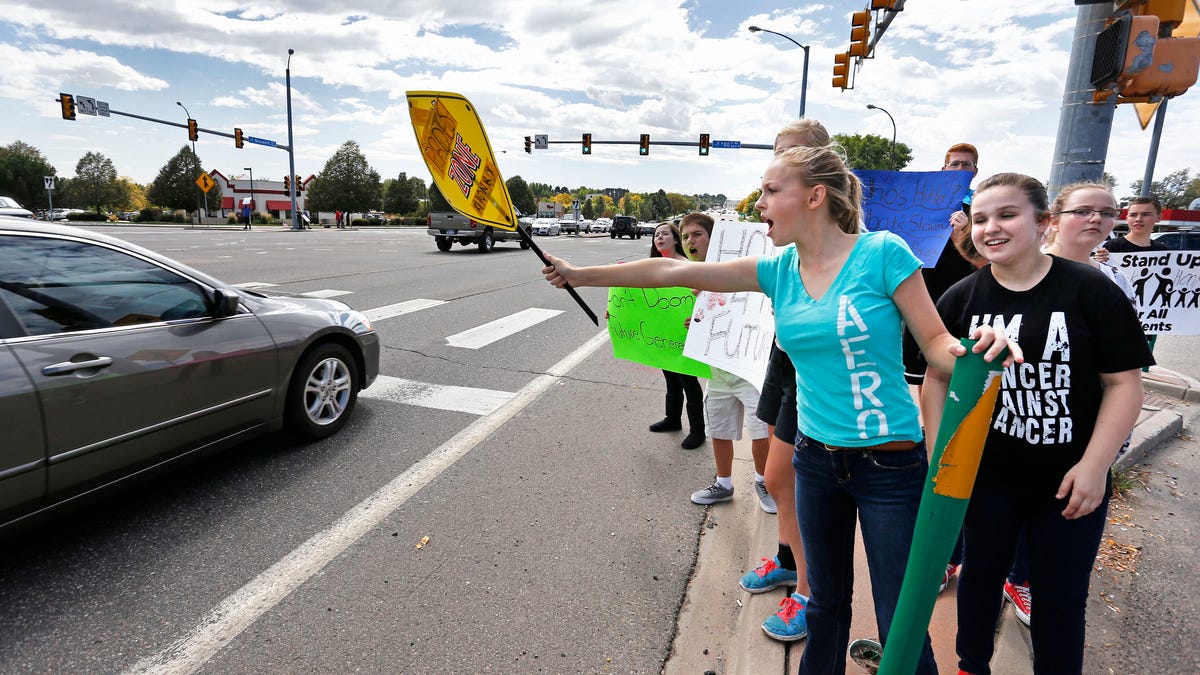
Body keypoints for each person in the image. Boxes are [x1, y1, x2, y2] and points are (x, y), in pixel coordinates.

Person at [544, 144, 1016, 675]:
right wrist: (579, 274)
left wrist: (975, 351)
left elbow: (934, 342)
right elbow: (670, 274)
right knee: (825, 604)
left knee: (898, 615)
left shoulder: (884, 253)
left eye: (771, 190)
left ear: (814, 196)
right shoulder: (778, 270)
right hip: (815, 460)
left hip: (888, 464)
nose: (759, 201)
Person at [924, 173, 1153, 675]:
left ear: (1043, 222)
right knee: (980, 581)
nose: (991, 228)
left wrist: (1095, 467)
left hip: (1070, 484)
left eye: (1007, 215)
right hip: (986, 480)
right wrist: (940, 451)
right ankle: (971, 666)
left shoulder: (1091, 291)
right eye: (981, 219)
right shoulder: (962, 298)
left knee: (1060, 596)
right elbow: (935, 381)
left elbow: (1124, 385)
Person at [740, 119, 829, 643]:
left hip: (820, 375)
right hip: (783, 359)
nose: (766, 190)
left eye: (788, 159)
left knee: (806, 484)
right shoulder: (779, 245)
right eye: (774, 156)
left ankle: (812, 593)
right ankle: (789, 560)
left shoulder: (861, 248)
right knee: (776, 479)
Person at [900, 141, 981, 593]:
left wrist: (965, 232)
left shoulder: (977, 212)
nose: (960, 170)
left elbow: (991, 263)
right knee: (921, 402)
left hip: (964, 321)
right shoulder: (922, 204)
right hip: (918, 316)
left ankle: (953, 550)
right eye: (953, 164)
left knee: (956, 425)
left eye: (967, 166)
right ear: (942, 168)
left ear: (975, 172)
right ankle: (924, 466)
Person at [676, 212, 772, 509]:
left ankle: (763, 482)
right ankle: (724, 484)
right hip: (718, 370)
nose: (690, 241)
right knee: (718, 428)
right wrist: (699, 322)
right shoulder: (692, 276)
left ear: (714, 237)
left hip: (751, 368)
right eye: (686, 236)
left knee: (760, 430)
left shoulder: (742, 267)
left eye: (697, 234)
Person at [647, 221, 706, 450]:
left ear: (676, 239)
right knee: (670, 377)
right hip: (664, 334)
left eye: (665, 234)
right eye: (656, 235)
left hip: (686, 332)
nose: (659, 238)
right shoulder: (652, 266)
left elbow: (705, 296)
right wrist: (617, 310)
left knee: (688, 381)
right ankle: (672, 419)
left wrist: (700, 318)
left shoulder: (687, 266)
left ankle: (698, 431)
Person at [1102, 196, 1167, 252]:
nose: (1138, 219)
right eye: (1133, 215)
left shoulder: (1162, 250)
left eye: (1145, 214)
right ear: (1127, 218)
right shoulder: (1112, 247)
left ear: (1158, 218)